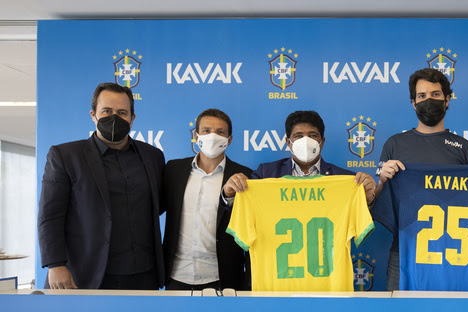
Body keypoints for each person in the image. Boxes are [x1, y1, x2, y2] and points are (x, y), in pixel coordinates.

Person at [374, 67, 468, 290]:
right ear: (413, 103)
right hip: (405, 253)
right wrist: (382, 182)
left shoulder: (463, 147)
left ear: (447, 100)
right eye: (422, 96)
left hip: (453, 257)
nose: (428, 100)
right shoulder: (395, 144)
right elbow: (378, 206)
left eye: (435, 94)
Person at [37, 82, 165, 290]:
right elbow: (50, 215)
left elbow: (161, 204)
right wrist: (55, 264)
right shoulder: (66, 156)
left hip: (143, 275)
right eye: (106, 111)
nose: (114, 118)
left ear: (132, 118)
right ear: (93, 115)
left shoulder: (153, 156)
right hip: (86, 275)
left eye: (122, 113)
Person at [162, 108, 252, 291]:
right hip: (177, 275)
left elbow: (247, 225)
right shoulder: (173, 169)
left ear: (229, 139)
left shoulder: (244, 176)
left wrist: (229, 198)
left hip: (222, 278)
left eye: (220, 132)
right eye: (206, 131)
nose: (213, 136)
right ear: (196, 136)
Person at [221, 110, 375, 203]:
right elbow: (243, 206)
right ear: (288, 142)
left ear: (322, 142)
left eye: (313, 135)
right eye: (298, 136)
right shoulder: (266, 173)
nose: (305, 140)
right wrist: (229, 194)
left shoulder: (346, 178)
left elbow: (361, 218)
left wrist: (368, 199)